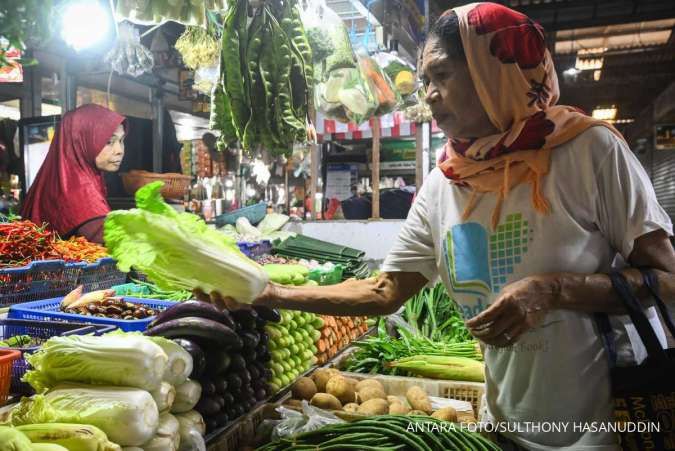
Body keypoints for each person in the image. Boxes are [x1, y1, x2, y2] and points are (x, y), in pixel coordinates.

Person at [200, 3, 675, 450]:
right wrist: (271, 294)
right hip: (505, 424)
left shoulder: (589, 152)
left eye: (442, 75)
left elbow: (669, 279)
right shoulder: (445, 180)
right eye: (425, 80)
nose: (428, 94)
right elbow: (385, 291)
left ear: (494, 72)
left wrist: (554, 289)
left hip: (606, 426)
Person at [21, 104, 126, 244]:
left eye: (121, 140)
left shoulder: (54, 178)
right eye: (109, 141)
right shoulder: (81, 193)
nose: (119, 150)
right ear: (80, 141)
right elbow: (114, 245)